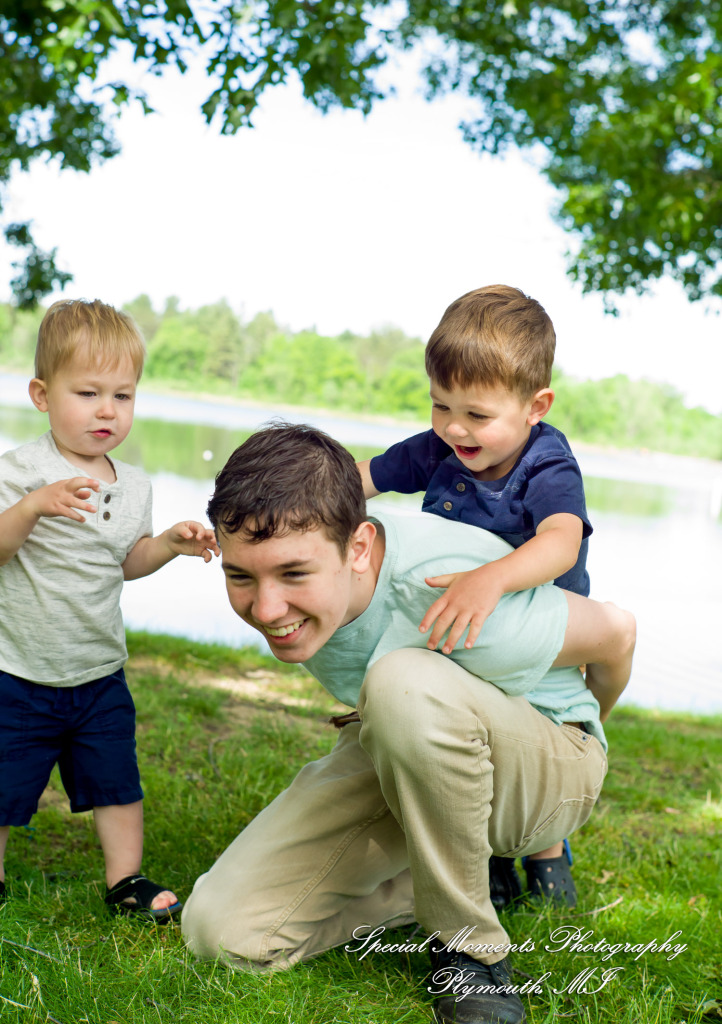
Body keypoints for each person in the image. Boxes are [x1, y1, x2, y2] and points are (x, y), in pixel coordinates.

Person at [182, 422, 620, 1024]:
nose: (266, 609)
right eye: (241, 576)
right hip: (413, 740)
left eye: (293, 574)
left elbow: (617, 635)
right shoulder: (307, 601)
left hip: (546, 770)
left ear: (359, 546)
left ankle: (470, 954)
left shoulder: (444, 586)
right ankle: (448, 879)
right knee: (222, 932)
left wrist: (583, 736)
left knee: (400, 683)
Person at [357, 284, 636, 904]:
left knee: (531, 719)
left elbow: (561, 542)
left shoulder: (546, 463)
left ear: (535, 405)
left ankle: (545, 845)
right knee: (460, 733)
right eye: (439, 406)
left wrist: (493, 576)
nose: (454, 428)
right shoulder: (442, 447)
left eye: (477, 415)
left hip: (535, 632)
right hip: (458, 628)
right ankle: (481, 852)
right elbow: (362, 479)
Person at [0, 299, 220, 919]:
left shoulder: (135, 486)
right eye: (88, 393)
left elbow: (125, 562)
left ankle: (125, 881)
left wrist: (169, 547)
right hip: (18, 670)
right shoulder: (19, 472)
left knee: (116, 782)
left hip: (98, 672)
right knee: (5, 784)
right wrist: (32, 506)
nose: (106, 410)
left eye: (122, 396)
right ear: (43, 396)